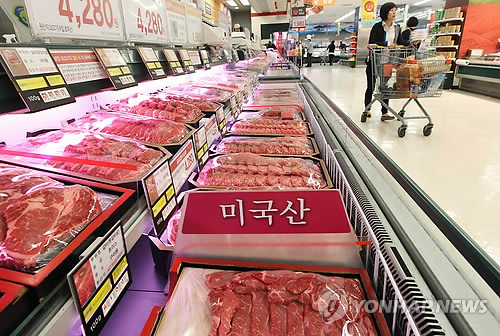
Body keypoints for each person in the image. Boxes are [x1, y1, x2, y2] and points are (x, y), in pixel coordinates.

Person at [364, 2, 409, 121]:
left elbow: (401, 41)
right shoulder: (377, 27)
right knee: (371, 86)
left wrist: (411, 44)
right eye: (391, 10)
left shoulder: (397, 28)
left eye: (395, 10)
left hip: (388, 61)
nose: (394, 12)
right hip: (374, 61)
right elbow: (372, 42)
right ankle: (367, 109)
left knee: (385, 87)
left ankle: (384, 112)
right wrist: (386, 44)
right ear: (385, 12)